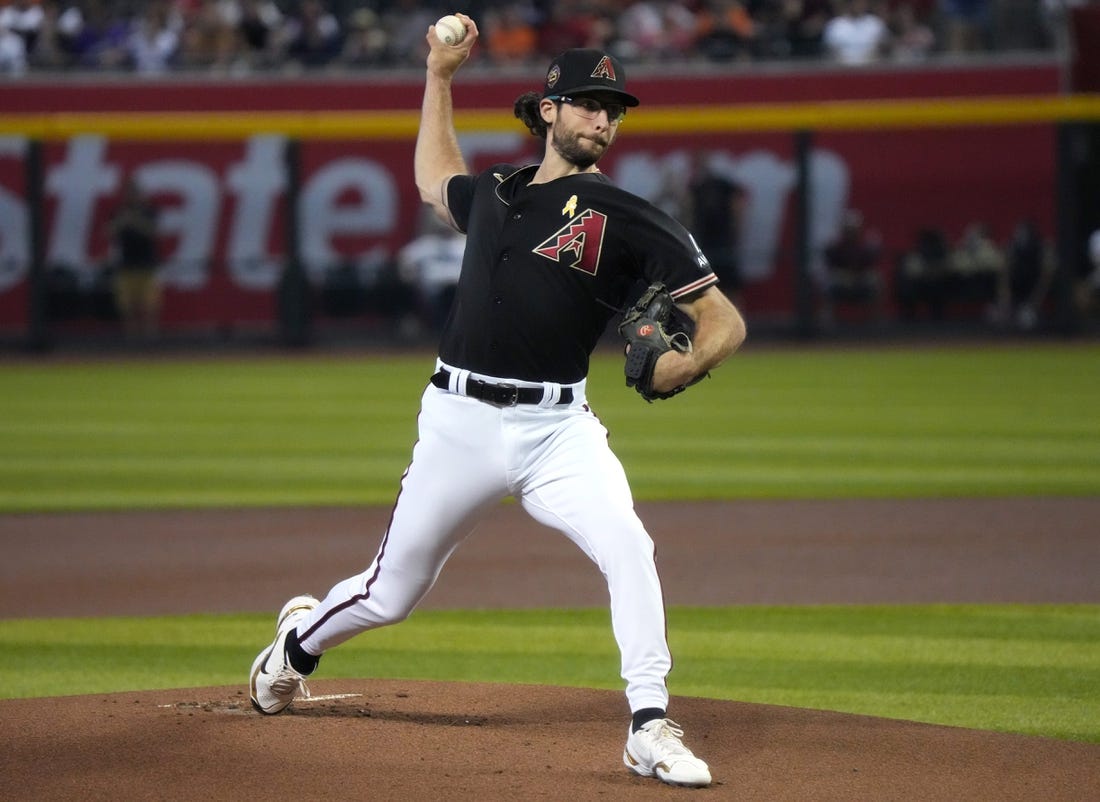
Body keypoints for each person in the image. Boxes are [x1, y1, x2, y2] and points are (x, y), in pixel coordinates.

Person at [249, 21, 746, 790]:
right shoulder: (497, 194)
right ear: (547, 110)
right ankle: (293, 649)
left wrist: (686, 362)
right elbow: (431, 179)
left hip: (558, 429)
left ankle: (649, 725)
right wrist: (438, 76)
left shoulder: (631, 214)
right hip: (460, 423)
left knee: (629, 547)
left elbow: (725, 320)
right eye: (586, 103)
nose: (603, 119)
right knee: (392, 593)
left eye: (613, 108)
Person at [685, 150, 747, 303]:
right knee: (706, 288)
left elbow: (738, 206)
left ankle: (738, 322)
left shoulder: (722, 184)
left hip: (724, 242)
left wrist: (736, 231)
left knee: (731, 286)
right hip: (704, 245)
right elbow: (689, 212)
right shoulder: (695, 187)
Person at [106, 177, 161, 340]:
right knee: (127, 306)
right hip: (126, 264)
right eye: (130, 193)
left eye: (136, 193)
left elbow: (152, 231)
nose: (133, 197)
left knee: (149, 305)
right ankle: (131, 339)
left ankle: (150, 338)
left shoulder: (149, 211)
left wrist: (134, 220)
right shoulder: (120, 212)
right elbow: (109, 232)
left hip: (147, 264)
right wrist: (123, 220)